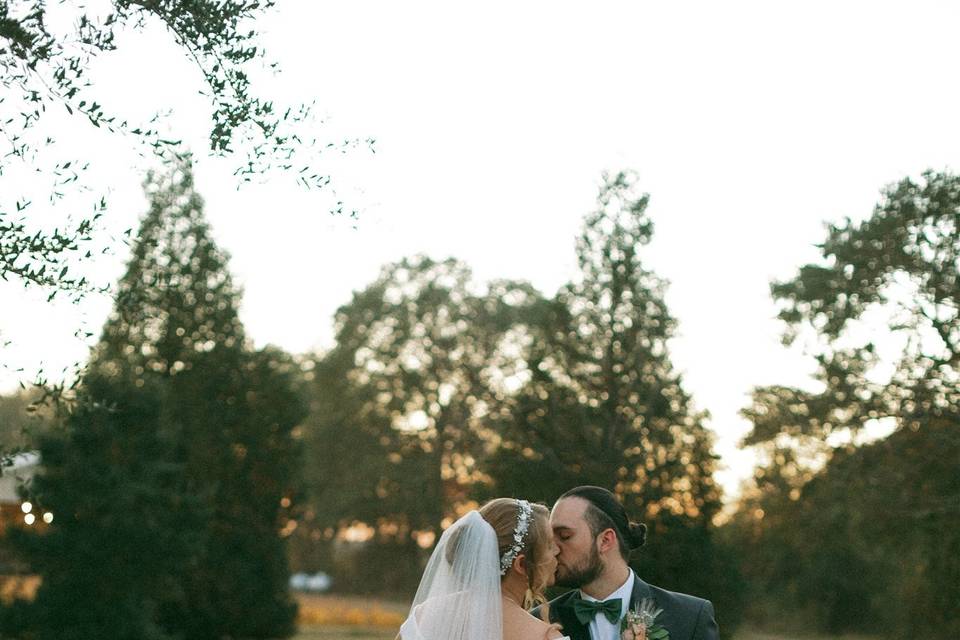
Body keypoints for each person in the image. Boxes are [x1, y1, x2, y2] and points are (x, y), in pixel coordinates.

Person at [533, 486, 719, 640]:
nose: (553, 550)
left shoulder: (690, 616)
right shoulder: (538, 622)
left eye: (564, 536)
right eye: (551, 540)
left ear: (605, 540)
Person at [398, 498, 566, 640]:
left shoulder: (422, 617)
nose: (558, 551)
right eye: (550, 545)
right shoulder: (544, 636)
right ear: (521, 565)